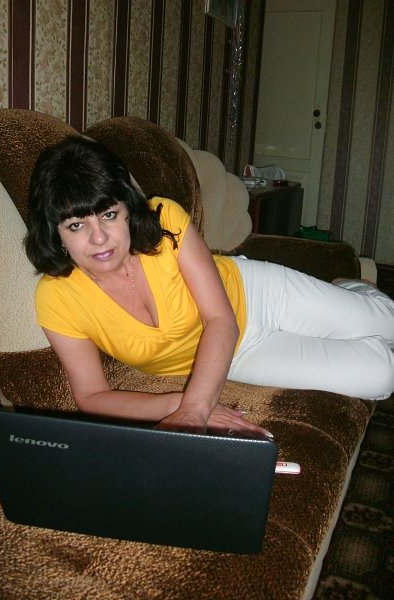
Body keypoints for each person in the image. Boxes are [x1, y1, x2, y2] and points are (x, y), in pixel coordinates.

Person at [25, 135, 394, 438]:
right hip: (239, 355)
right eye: (76, 225)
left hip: (257, 294)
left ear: (128, 210)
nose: (99, 238)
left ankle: (357, 289)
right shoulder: (57, 297)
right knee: (381, 377)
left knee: (388, 322)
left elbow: (220, 319)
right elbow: (92, 395)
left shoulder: (164, 220)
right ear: (56, 234)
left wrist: (195, 408)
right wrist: (181, 404)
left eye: (109, 215)